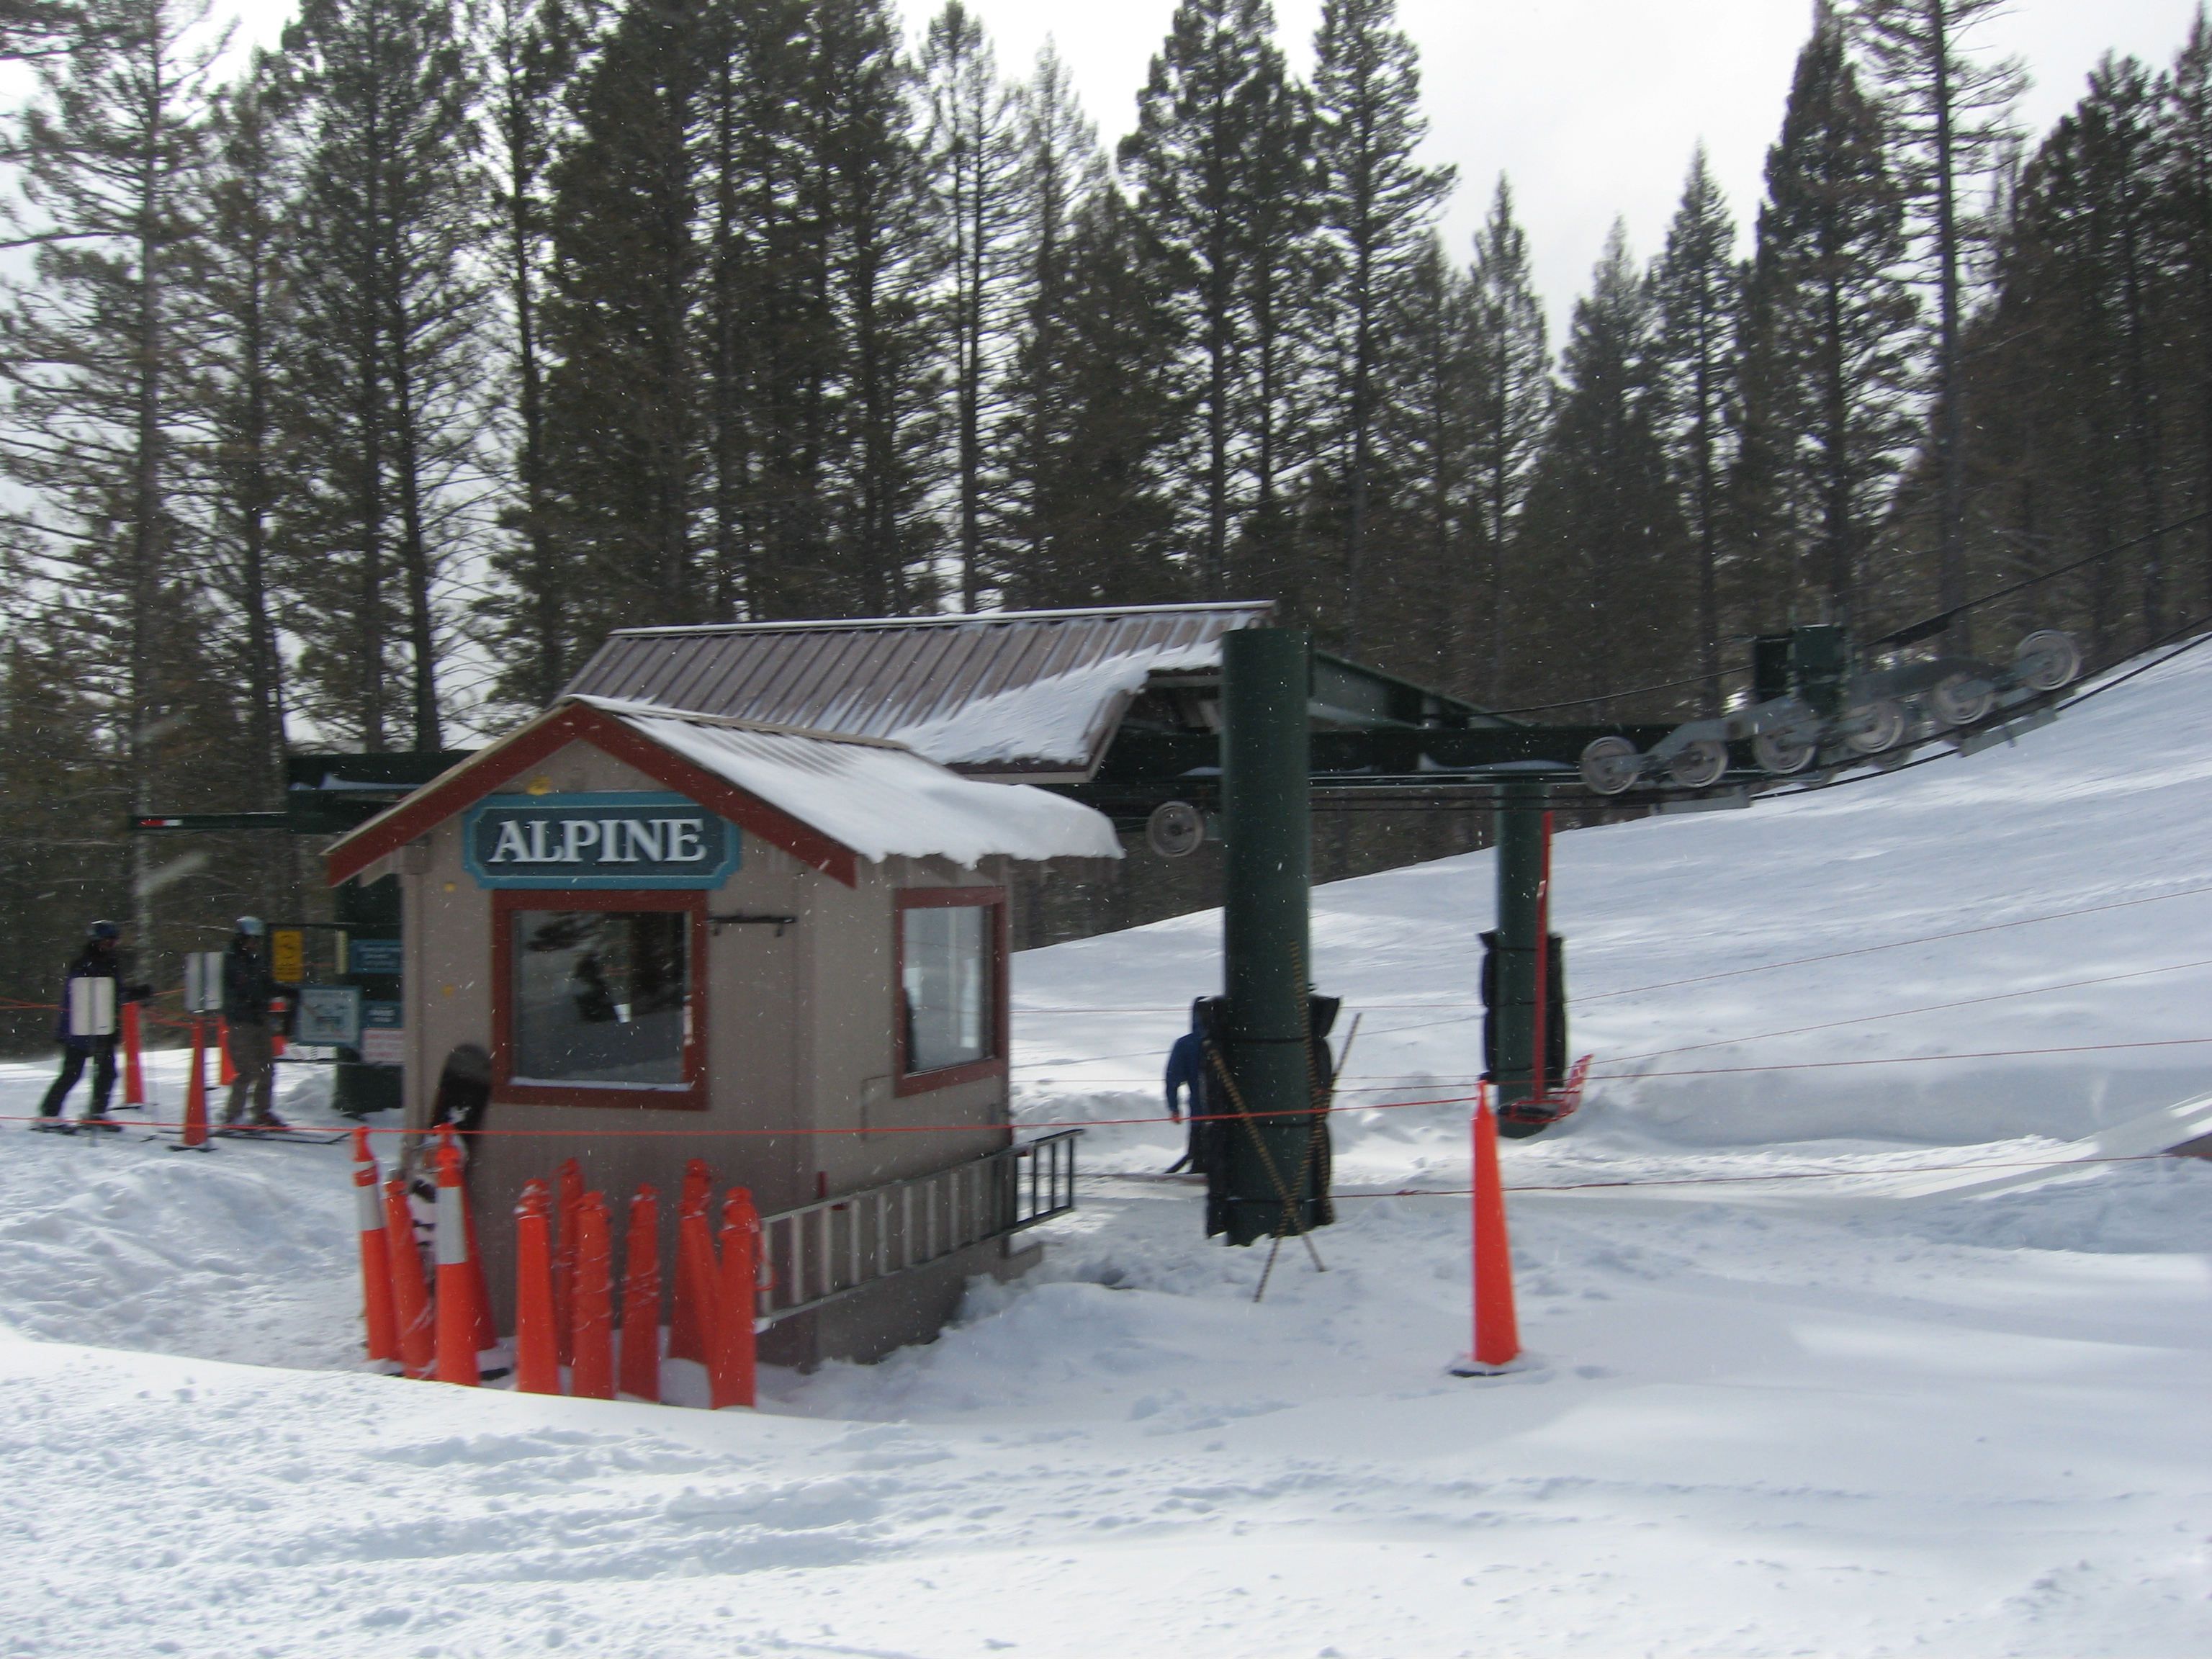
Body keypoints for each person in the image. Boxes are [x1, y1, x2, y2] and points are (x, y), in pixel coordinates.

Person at [36, 921, 152, 1131]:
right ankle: (48, 1114)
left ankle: (96, 1113)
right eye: (108, 943)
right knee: (72, 1073)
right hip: (79, 1027)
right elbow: (93, 994)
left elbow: (114, 993)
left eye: (114, 942)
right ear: (97, 942)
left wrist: (137, 994)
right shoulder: (84, 964)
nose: (111, 946)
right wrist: (130, 994)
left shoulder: (110, 962)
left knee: (107, 1073)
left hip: (102, 1027)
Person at [220, 917, 291, 1129]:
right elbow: (232, 992)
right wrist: (247, 1002)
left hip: (260, 1021)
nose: (254, 944)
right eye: (250, 940)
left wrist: (285, 990)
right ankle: (233, 1115)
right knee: (247, 1071)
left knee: (267, 1069)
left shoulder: (256, 961)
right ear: (240, 938)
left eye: (257, 940)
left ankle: (262, 1111)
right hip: (242, 1023)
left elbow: (266, 985)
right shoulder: (232, 961)